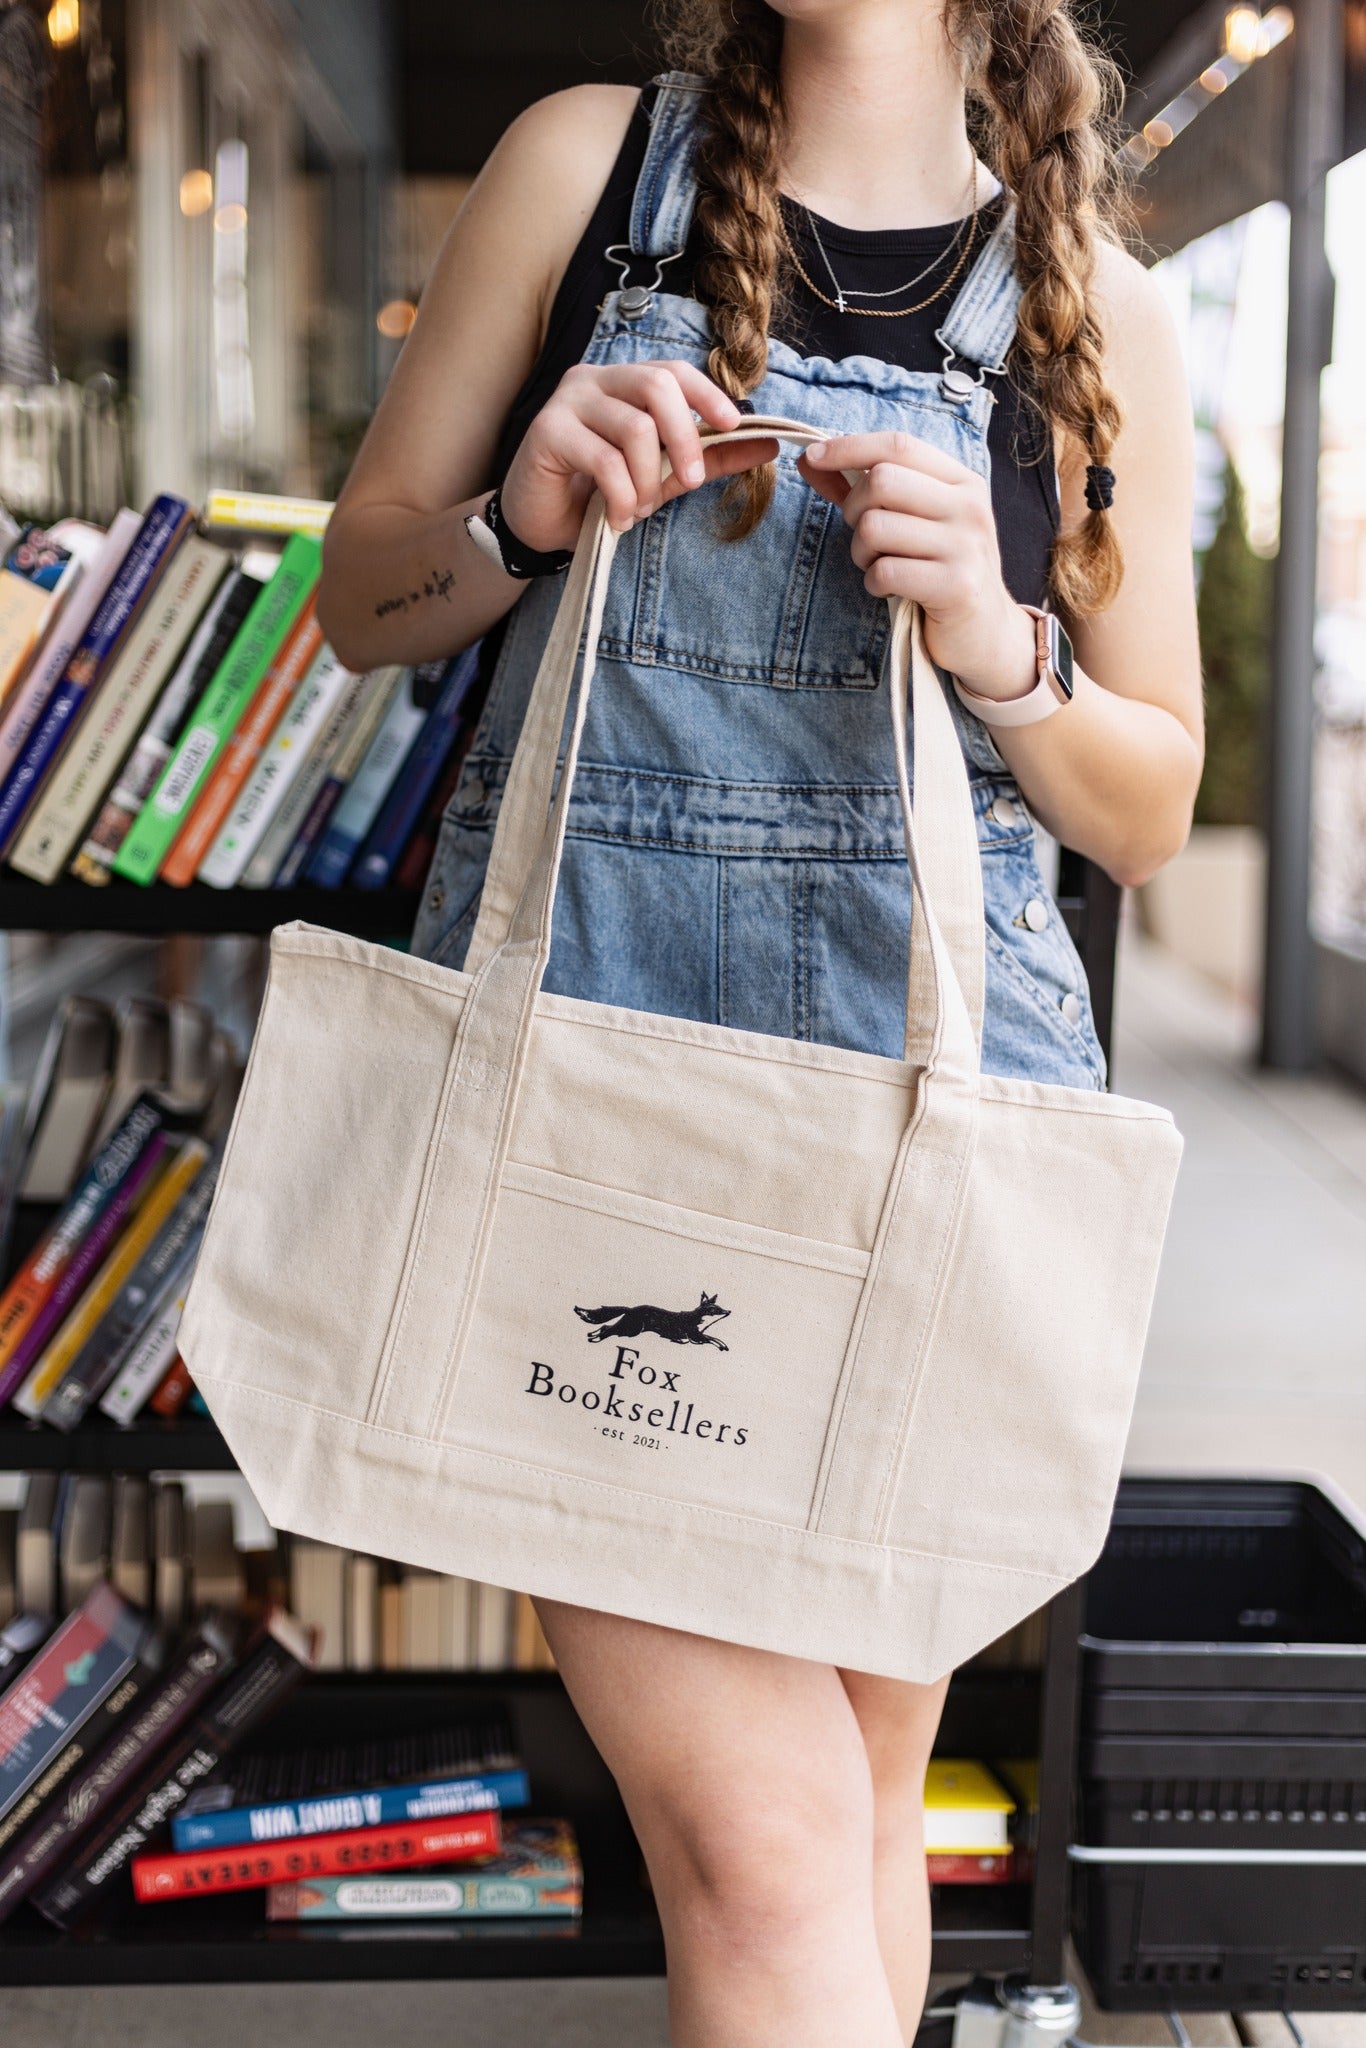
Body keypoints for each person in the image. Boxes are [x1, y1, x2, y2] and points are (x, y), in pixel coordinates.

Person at [317, 2, 1202, 2040]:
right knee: (776, 1848)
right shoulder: (581, 171)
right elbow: (360, 602)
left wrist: (1001, 646)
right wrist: (516, 515)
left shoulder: (1099, 307)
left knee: (858, 1819)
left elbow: (1145, 806)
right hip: (588, 1113)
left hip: (931, 1124)